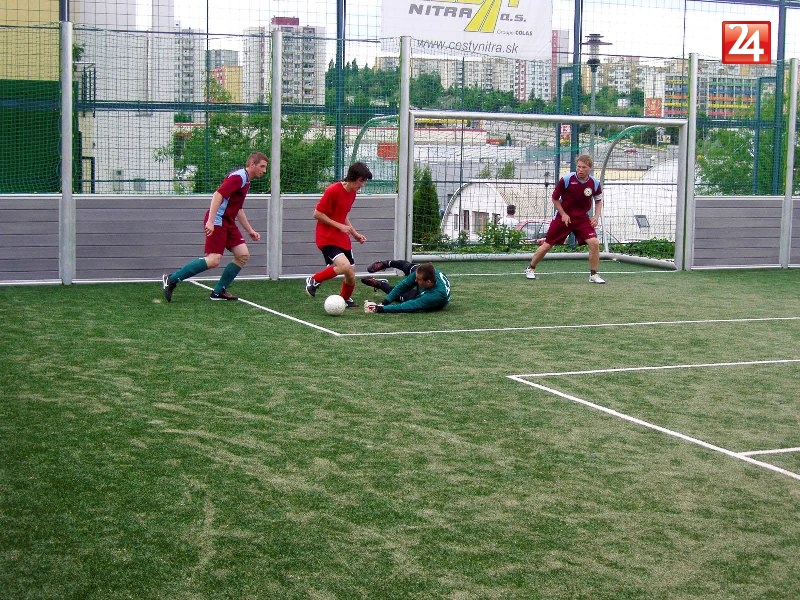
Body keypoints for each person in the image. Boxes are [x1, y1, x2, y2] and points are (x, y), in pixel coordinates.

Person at [162, 151, 269, 302]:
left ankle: (218, 292)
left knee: (243, 255)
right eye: (262, 166)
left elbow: (238, 208)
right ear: (252, 164)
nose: (264, 170)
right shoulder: (238, 177)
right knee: (213, 260)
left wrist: (250, 230)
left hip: (228, 222)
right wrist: (211, 221)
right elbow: (218, 195)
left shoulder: (246, 181)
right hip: (218, 221)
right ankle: (171, 279)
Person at [525, 154, 606, 284]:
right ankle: (531, 268)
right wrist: (563, 214)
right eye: (578, 166)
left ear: (589, 168)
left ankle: (594, 274)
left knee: (594, 243)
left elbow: (598, 200)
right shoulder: (567, 179)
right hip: (563, 218)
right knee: (547, 245)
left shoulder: (594, 183)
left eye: (584, 167)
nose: (580, 169)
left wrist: (596, 217)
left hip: (582, 219)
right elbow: (555, 198)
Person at [305, 162, 373, 307]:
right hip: (326, 237)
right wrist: (339, 226)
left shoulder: (352, 193)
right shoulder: (333, 190)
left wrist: (354, 233)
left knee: (351, 274)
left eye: (364, 181)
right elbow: (317, 214)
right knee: (344, 266)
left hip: (341, 238)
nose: (362, 185)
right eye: (361, 181)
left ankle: (344, 299)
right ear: (352, 177)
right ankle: (314, 279)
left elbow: (343, 215)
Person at [363, 261, 450, 313]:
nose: (415, 280)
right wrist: (385, 302)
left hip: (426, 297)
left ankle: (380, 284)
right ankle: (386, 263)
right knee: (409, 267)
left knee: (400, 296)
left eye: (418, 279)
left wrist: (380, 308)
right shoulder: (427, 273)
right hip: (425, 286)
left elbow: (407, 306)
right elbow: (402, 286)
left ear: (428, 282)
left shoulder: (435, 296)